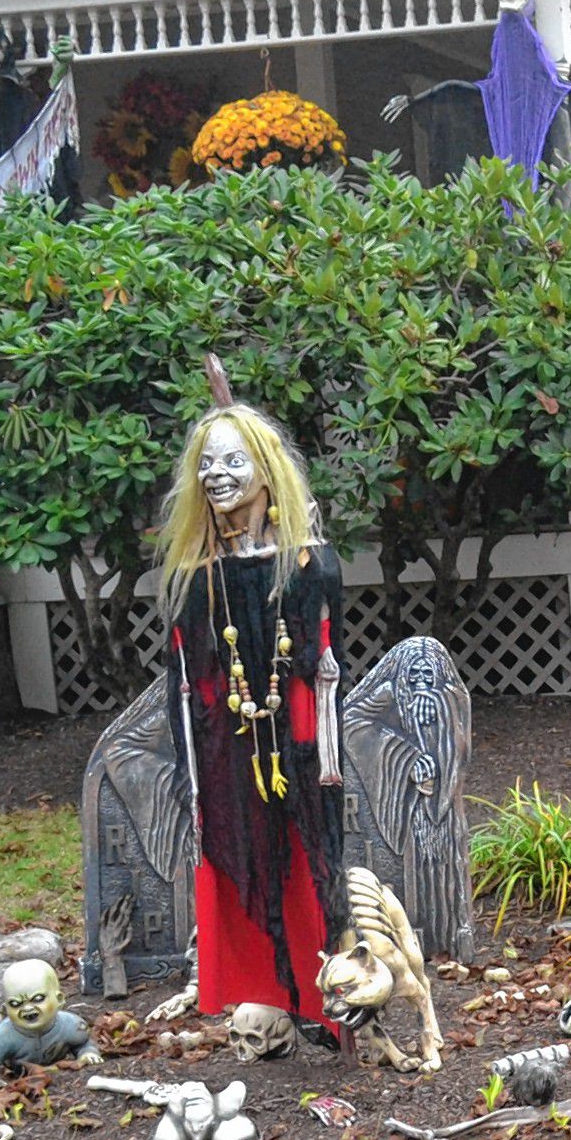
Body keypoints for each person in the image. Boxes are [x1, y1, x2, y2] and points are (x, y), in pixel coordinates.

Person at [152, 402, 349, 1036]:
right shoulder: (195, 579)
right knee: (238, 848)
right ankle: (260, 991)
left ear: (267, 471)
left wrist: (311, 750)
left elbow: (319, 663)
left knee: (306, 854)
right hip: (230, 745)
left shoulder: (308, 564)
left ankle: (327, 995)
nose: (217, 476)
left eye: (235, 461)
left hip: (295, 741)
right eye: (206, 464)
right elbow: (193, 679)